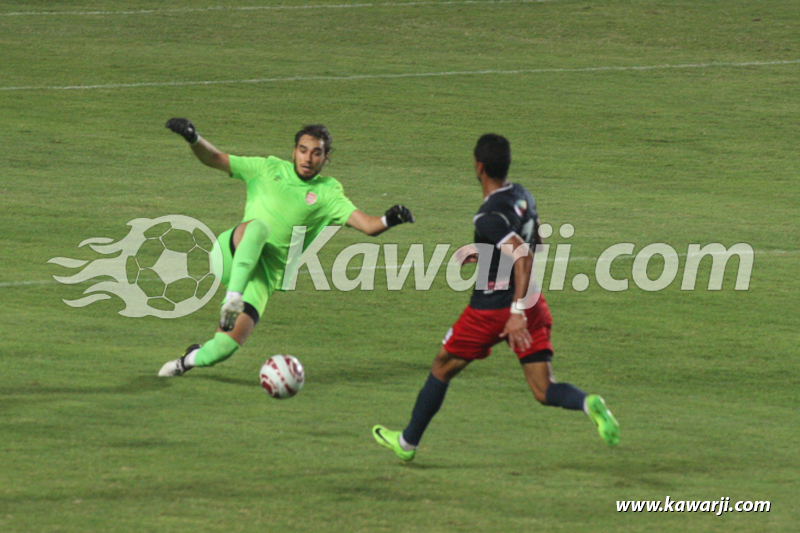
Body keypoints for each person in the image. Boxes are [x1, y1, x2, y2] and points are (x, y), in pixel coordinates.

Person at [372, 133, 619, 461]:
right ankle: (587, 404)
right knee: (543, 389)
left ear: (478, 167)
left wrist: (515, 312)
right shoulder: (523, 195)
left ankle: (407, 444)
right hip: (533, 302)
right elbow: (536, 242)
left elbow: (523, 256)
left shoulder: (487, 216)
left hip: (492, 310)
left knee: (442, 366)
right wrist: (486, 253)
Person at [158, 119, 414, 377]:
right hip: (230, 254)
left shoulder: (328, 193)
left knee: (224, 348)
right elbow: (215, 158)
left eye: (316, 153)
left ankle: (186, 360)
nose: (308, 158)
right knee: (259, 228)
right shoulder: (266, 168)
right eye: (303, 150)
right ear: (294, 151)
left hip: (262, 277)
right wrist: (193, 138)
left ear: (326, 158)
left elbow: (367, 225)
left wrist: (389, 219)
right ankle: (233, 297)